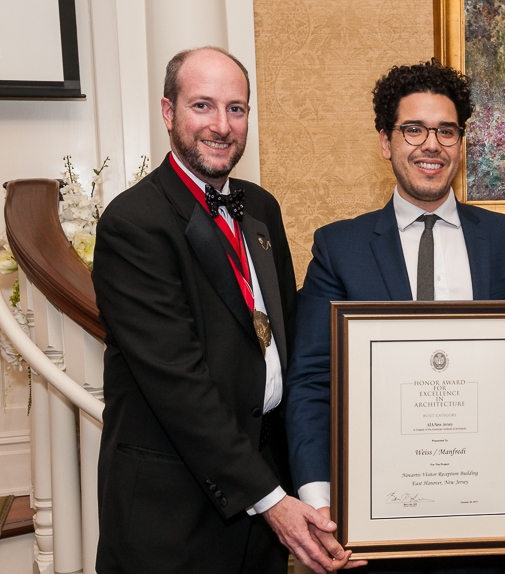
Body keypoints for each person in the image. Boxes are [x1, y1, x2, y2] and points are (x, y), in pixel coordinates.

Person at [285, 60, 505, 574]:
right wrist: (319, 501)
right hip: (372, 523)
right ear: (385, 142)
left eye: (446, 131)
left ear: (460, 143)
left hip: (480, 521)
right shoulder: (340, 248)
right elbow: (311, 382)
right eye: (413, 129)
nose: (430, 145)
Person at [92, 47, 352, 574]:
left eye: (236, 109)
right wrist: (272, 500)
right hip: (174, 517)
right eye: (202, 106)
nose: (221, 125)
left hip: (263, 504)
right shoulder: (133, 223)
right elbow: (178, 386)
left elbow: (289, 343)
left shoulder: (261, 207)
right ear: (168, 112)